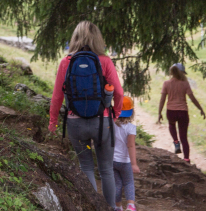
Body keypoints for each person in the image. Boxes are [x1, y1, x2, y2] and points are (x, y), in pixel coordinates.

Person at [49, 21, 124, 208]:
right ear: (98, 38)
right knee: (106, 170)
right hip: (103, 123)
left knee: (86, 167)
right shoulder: (104, 61)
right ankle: (110, 208)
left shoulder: (66, 62)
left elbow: (57, 96)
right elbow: (119, 92)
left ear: (75, 37)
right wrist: (115, 114)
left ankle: (93, 207)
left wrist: (53, 122)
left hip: (75, 124)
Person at [156, 62, 206, 163]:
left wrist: (159, 113)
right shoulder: (185, 83)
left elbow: (162, 99)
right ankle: (186, 159)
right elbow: (192, 98)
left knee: (171, 125)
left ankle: (176, 142)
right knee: (184, 137)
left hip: (171, 111)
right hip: (183, 112)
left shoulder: (166, 83)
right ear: (181, 73)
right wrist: (200, 108)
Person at [112, 97, 139, 211]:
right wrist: (134, 164)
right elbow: (131, 145)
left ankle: (118, 206)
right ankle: (130, 206)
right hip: (125, 162)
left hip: (112, 160)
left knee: (117, 184)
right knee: (128, 183)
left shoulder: (111, 125)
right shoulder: (131, 128)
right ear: (131, 112)